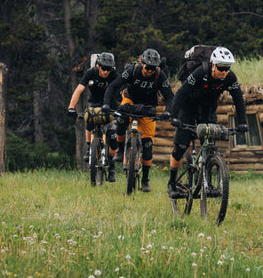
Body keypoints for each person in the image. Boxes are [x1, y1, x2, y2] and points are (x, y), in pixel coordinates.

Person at [167, 46, 248, 198]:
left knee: (210, 145)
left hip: (208, 110)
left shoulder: (230, 78)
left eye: (227, 69)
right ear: (213, 65)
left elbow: (239, 100)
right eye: (220, 68)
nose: (224, 72)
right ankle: (172, 183)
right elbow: (181, 93)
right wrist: (174, 116)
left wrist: (242, 122)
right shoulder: (201, 73)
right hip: (189, 107)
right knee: (181, 146)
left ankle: (207, 182)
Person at [102, 48, 173, 192]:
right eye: (147, 68)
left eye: (153, 69)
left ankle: (145, 180)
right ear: (142, 64)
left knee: (147, 144)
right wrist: (106, 103)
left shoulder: (160, 75)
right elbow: (113, 86)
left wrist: (168, 111)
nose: (150, 71)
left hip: (148, 107)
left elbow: (170, 96)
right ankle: (121, 151)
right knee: (121, 121)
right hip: (131, 101)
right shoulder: (131, 70)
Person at [67, 52, 120, 182]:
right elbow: (79, 89)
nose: (106, 72)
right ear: (98, 66)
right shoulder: (90, 73)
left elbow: (123, 91)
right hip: (94, 103)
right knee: (88, 120)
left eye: (109, 69)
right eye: (103, 68)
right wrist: (71, 107)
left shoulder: (114, 75)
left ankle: (112, 167)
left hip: (111, 105)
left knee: (113, 137)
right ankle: (89, 148)